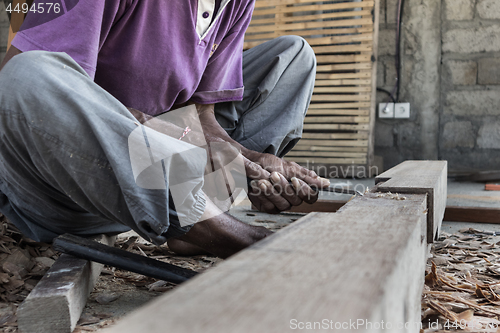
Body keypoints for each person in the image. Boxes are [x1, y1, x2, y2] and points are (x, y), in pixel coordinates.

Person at [0, 0, 330, 258]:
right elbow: (26, 93)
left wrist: (251, 161)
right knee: (25, 75)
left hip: (160, 170)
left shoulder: (235, 3)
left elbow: (202, 117)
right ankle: (219, 230)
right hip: (79, 186)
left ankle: (204, 208)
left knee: (293, 56)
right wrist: (174, 137)